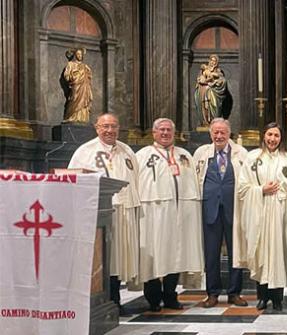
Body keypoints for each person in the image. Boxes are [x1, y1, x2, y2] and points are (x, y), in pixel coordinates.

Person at [68, 113, 140, 316]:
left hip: (122, 211)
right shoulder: (85, 152)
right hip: (96, 215)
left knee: (116, 258)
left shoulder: (126, 151)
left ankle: (115, 300)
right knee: (101, 257)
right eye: (105, 126)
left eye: (114, 126)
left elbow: (136, 181)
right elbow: (73, 180)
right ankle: (101, 301)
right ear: (96, 128)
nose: (110, 130)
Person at [135, 118, 204, 312]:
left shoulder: (184, 155)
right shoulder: (142, 155)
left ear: (173, 133)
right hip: (152, 214)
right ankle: (153, 298)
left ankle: (171, 296)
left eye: (168, 130)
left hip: (180, 213)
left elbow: (193, 183)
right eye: (161, 130)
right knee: (154, 254)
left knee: (176, 254)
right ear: (154, 133)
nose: (165, 133)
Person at [192, 118, 249, 308]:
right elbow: (195, 180)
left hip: (235, 209)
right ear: (210, 134)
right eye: (215, 132)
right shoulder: (201, 153)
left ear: (228, 133)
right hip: (210, 209)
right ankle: (212, 293)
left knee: (236, 251)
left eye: (222, 132)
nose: (218, 136)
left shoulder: (241, 154)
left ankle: (234, 292)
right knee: (211, 253)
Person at [238, 122, 287, 311]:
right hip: (259, 211)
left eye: (276, 135)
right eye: (269, 134)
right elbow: (243, 188)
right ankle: (262, 297)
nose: (272, 139)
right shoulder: (252, 158)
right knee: (260, 251)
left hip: (280, 212)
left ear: (281, 138)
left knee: (278, 253)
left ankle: (278, 298)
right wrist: (261, 189)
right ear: (264, 135)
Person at [195, 55, 230, 126]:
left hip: (213, 92)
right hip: (203, 91)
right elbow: (199, 80)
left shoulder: (218, 71)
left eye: (214, 61)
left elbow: (222, 80)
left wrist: (215, 83)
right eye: (212, 60)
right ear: (209, 61)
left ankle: (214, 121)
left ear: (216, 63)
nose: (212, 62)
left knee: (214, 105)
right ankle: (205, 121)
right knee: (205, 106)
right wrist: (202, 81)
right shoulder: (204, 71)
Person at [63, 48, 93, 123]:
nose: (79, 56)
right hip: (76, 85)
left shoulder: (85, 66)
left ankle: (82, 117)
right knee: (74, 99)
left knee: (84, 102)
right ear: (75, 55)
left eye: (81, 54)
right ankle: (72, 116)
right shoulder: (71, 64)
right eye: (78, 54)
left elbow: (90, 76)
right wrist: (74, 76)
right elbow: (66, 76)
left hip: (84, 86)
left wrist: (87, 74)